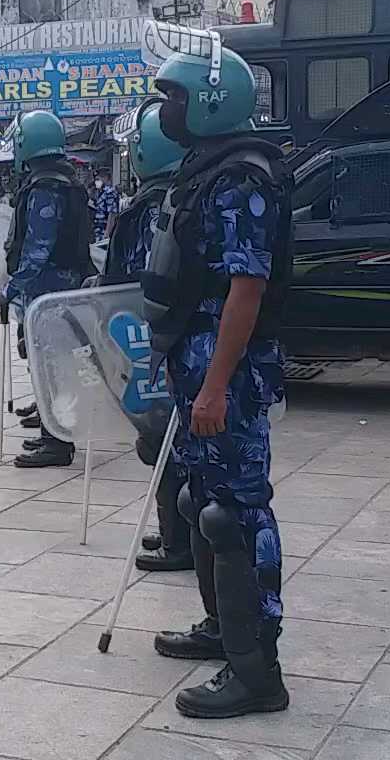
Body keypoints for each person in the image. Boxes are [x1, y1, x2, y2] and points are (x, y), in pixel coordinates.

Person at [143, 40, 293, 719]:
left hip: (224, 373)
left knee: (234, 514)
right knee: (197, 506)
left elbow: (246, 289)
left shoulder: (242, 178)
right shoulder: (207, 170)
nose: (165, 111)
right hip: (196, 361)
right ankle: (221, 631)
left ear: (207, 103)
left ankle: (257, 670)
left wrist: (215, 385)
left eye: (173, 98)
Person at [102, 107, 192, 573]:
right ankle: (178, 532)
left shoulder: (158, 203)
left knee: (162, 440)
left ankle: (181, 542)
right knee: (170, 441)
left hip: (155, 338)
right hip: (173, 336)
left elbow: (142, 279)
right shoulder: (183, 191)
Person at [0, 110, 94, 469]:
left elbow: (37, 249)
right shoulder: (63, 180)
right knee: (51, 365)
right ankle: (53, 427)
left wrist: (9, 292)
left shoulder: (46, 188)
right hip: (60, 288)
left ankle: (58, 444)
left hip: (50, 292)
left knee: (53, 367)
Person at [90, 170, 121, 239]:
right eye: (96, 179)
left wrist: (107, 234)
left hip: (103, 230)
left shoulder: (110, 193)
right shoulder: (100, 193)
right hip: (97, 230)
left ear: (106, 178)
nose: (96, 182)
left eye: (98, 179)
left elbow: (112, 214)